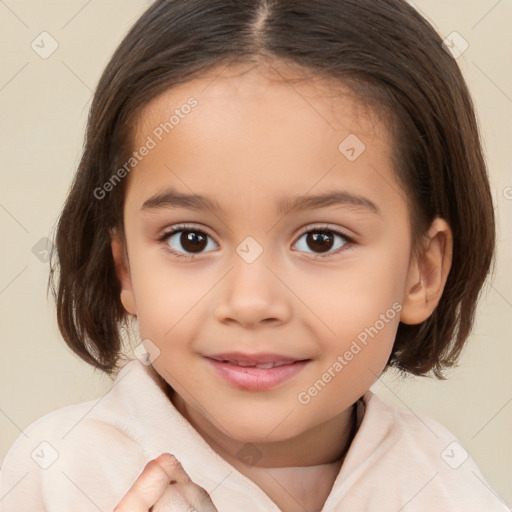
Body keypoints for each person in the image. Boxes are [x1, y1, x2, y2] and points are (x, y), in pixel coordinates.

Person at [0, 0, 509, 510]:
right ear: (126, 266)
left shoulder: (447, 487)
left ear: (421, 273)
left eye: (321, 240)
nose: (250, 302)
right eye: (191, 239)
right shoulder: (59, 476)